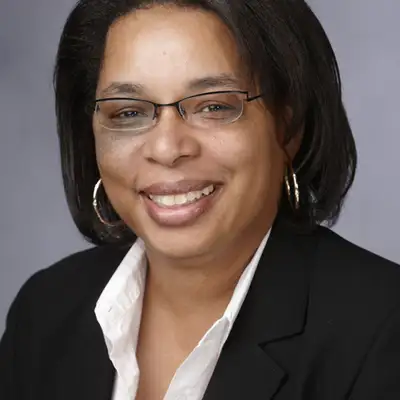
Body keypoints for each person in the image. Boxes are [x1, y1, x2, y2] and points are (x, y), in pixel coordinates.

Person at [1, 0, 400, 399]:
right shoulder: (45, 312)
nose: (167, 148)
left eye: (213, 106)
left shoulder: (382, 328)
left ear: (288, 128)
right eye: (128, 113)